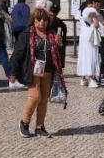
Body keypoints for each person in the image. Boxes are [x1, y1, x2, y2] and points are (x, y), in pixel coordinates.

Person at [11, 9, 66, 139]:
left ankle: (40, 127)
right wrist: (12, 73)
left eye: (45, 19)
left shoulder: (52, 34)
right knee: (35, 97)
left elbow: (59, 55)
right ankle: (24, 123)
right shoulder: (26, 34)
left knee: (43, 100)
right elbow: (16, 55)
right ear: (34, 21)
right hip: (33, 71)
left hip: (48, 71)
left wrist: (60, 44)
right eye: (39, 19)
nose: (42, 22)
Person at [76, 0, 101, 87]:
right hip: (90, 34)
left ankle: (83, 78)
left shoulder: (82, 9)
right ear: (93, 2)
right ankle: (91, 78)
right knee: (91, 55)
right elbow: (96, 24)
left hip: (83, 33)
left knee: (83, 54)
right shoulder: (91, 9)